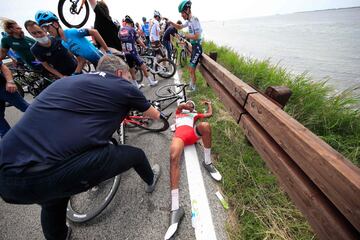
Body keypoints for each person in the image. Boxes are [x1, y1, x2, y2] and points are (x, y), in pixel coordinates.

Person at [0, 55, 162, 240]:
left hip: (6, 177)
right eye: (128, 77)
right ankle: (151, 179)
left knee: (53, 199)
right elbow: (155, 115)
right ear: (119, 73)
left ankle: (60, 235)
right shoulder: (122, 85)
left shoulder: (68, 81)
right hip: (49, 173)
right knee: (136, 155)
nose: (129, 81)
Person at [164, 100, 222, 240]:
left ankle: (207, 162)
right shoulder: (179, 112)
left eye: (192, 104)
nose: (189, 105)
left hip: (192, 135)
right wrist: (186, 105)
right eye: (188, 103)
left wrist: (209, 104)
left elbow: (209, 114)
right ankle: (176, 208)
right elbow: (180, 106)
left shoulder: (195, 115)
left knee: (206, 126)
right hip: (180, 138)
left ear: (194, 108)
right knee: (173, 155)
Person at [35, 10, 111, 67]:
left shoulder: (71, 32)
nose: (47, 31)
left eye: (47, 27)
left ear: (55, 24)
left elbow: (94, 32)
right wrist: (76, 73)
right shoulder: (63, 43)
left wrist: (107, 50)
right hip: (97, 65)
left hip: (104, 60)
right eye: (44, 29)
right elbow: (81, 61)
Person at [169, 0, 203, 92]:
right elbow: (180, 27)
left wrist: (185, 35)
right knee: (190, 68)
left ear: (187, 10)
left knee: (191, 68)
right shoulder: (189, 21)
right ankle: (192, 85)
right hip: (194, 47)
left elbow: (197, 36)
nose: (181, 15)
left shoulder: (194, 20)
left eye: (182, 13)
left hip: (198, 47)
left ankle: (193, 87)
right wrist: (171, 22)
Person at [119, 15, 158, 88]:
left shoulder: (120, 31)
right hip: (133, 51)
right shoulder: (131, 29)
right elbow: (138, 40)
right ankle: (150, 82)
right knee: (143, 65)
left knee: (131, 68)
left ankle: (136, 85)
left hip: (126, 52)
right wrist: (145, 47)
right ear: (131, 23)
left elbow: (120, 42)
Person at [0, 60, 29, 138]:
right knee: (1, 125)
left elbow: (3, 67)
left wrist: (10, 82)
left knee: (25, 107)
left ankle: (45, 122)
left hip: (3, 88)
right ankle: (12, 143)